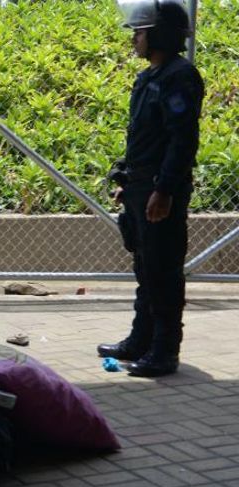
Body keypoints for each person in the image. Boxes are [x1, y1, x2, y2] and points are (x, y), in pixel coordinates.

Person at [98, 0, 204, 377]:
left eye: (140, 32)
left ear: (159, 34)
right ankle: (141, 339)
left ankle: (164, 350)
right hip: (143, 186)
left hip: (161, 189)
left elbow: (181, 140)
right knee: (145, 267)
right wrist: (127, 179)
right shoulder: (149, 78)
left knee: (163, 269)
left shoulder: (180, 76)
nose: (135, 39)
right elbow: (142, 138)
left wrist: (164, 189)